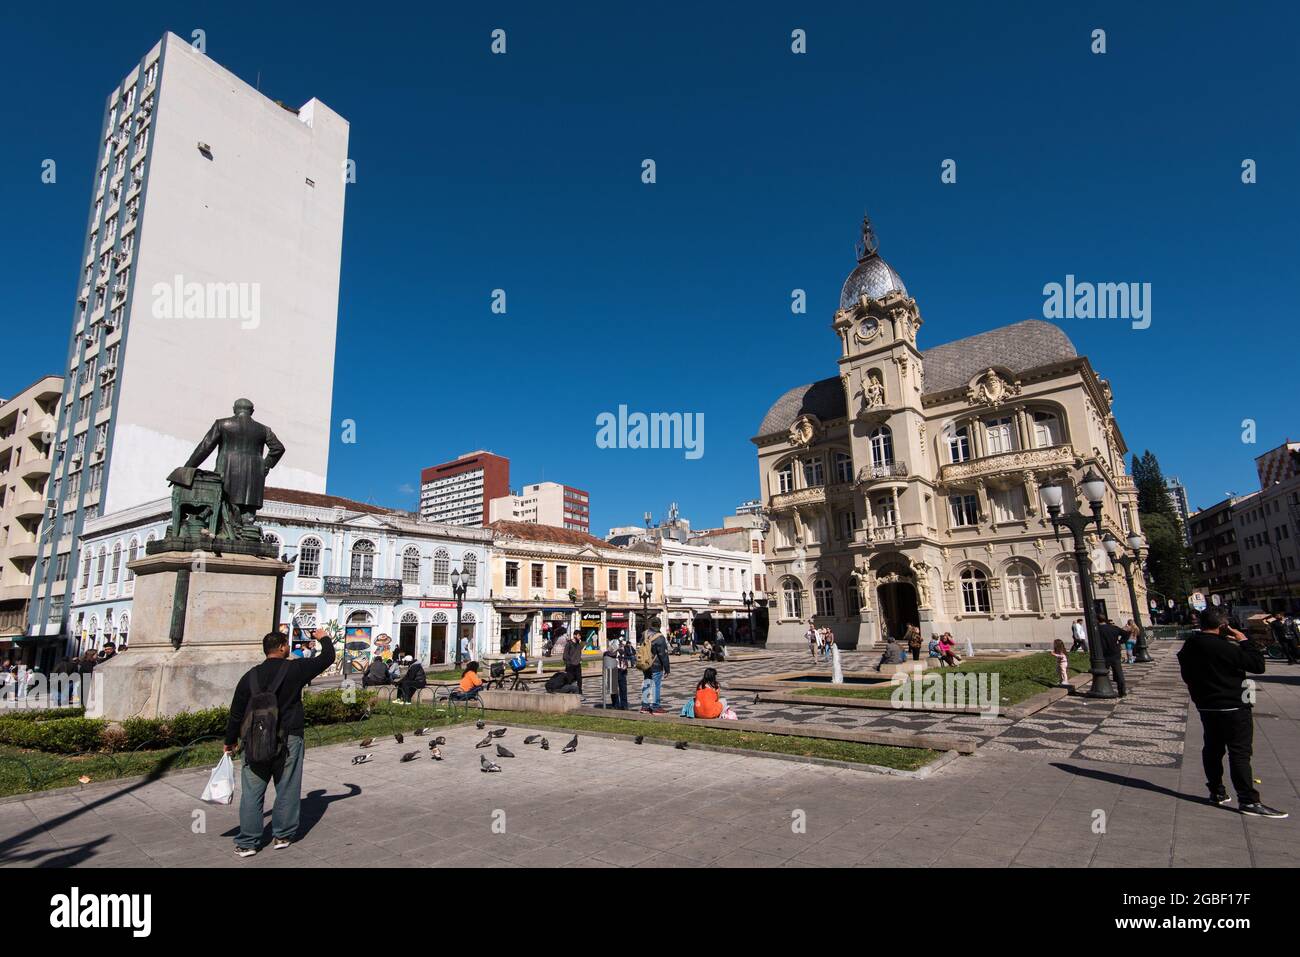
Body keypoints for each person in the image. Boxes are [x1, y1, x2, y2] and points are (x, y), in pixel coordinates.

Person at [225, 627, 335, 857]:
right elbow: (327, 658)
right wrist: (323, 637)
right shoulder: (295, 669)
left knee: (252, 792)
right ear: (283, 647)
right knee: (287, 786)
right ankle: (282, 835)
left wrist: (230, 741)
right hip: (289, 737)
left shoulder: (250, 676)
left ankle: (248, 841)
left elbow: (236, 712)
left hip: (254, 739)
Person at [1177, 607, 1287, 818]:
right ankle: (1248, 800)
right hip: (1233, 705)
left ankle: (1216, 791)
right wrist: (1244, 640)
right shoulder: (1224, 647)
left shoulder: (1189, 646)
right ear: (1223, 626)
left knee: (1212, 749)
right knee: (1239, 753)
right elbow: (1257, 666)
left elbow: (1187, 674)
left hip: (1206, 705)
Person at [639, 619, 670, 713]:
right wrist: (667, 669)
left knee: (647, 683)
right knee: (656, 685)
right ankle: (656, 706)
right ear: (659, 625)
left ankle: (645, 706)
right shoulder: (660, 637)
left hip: (646, 664)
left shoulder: (644, 634)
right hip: (656, 665)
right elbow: (663, 655)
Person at [1096, 618, 1128, 697]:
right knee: (1118, 673)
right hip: (1115, 653)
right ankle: (1122, 691)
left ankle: (1105, 688)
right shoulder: (1114, 628)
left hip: (1103, 654)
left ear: (1097, 620)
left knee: (1103, 673)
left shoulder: (1097, 630)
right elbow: (1127, 634)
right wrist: (1120, 642)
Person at [602, 639, 624, 709]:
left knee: (618, 689)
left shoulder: (608, 653)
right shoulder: (618, 652)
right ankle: (618, 705)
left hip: (616, 670)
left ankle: (618, 705)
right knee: (616, 689)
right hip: (614, 669)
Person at [562, 628, 584, 693]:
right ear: (574, 636)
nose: (580, 637)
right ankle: (569, 691)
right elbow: (565, 655)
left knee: (579, 680)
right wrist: (568, 663)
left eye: (580, 636)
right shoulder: (569, 644)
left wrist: (580, 660)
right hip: (570, 665)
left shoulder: (579, 644)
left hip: (577, 665)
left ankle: (579, 691)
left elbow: (582, 647)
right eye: (578, 636)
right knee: (569, 680)